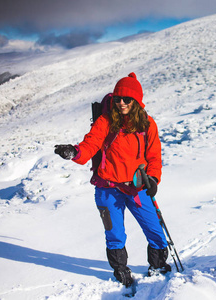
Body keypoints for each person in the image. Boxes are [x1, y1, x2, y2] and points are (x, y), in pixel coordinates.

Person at [54, 73, 170, 287]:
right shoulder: (106, 121)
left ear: (136, 101)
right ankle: (121, 272)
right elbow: (91, 144)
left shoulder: (147, 124)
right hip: (107, 189)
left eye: (127, 99)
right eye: (118, 99)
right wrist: (74, 152)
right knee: (115, 234)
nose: (121, 103)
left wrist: (153, 179)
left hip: (137, 188)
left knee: (155, 230)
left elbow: (154, 156)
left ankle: (158, 265)